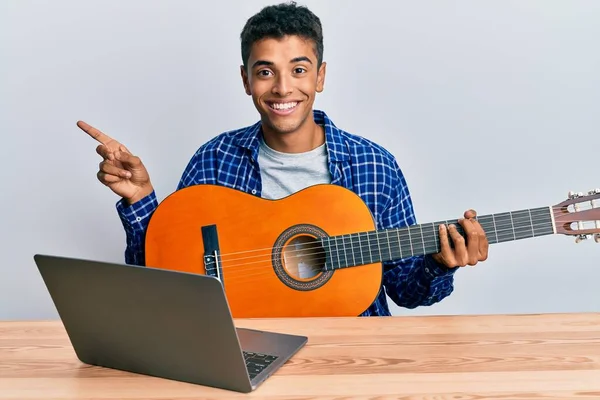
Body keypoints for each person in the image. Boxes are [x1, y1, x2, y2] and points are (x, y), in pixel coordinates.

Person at [77, 1, 489, 317]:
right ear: (246, 80)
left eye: (298, 70)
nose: (283, 88)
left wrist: (439, 264)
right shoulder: (215, 159)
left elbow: (405, 291)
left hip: (352, 356)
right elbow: (164, 276)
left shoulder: (375, 166)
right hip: (243, 348)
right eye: (266, 71)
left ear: (320, 77)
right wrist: (141, 198)